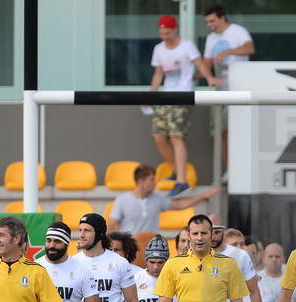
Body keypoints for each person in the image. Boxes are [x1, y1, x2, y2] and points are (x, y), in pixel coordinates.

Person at [149, 15, 220, 197]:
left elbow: (200, 64)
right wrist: (151, 94)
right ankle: (175, 170)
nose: (165, 36)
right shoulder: (159, 49)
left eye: (168, 33)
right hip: (165, 97)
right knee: (158, 136)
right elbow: (158, 73)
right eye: (162, 33)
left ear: (175, 30)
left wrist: (209, 77)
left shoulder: (186, 46)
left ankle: (181, 180)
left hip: (183, 95)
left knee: (176, 136)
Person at [203, 4, 254, 176]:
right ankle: (229, 170)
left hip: (239, 90)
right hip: (220, 90)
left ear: (222, 17)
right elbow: (207, 63)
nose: (210, 25)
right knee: (220, 131)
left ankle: (239, 169)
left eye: (212, 21)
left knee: (236, 131)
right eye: (207, 22)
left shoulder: (238, 31)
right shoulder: (210, 38)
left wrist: (228, 52)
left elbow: (250, 48)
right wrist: (195, 72)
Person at [109, 165, 220, 234]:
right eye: (151, 180)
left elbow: (179, 205)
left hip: (150, 247)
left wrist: (203, 196)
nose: (155, 183)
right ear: (140, 181)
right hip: (130, 247)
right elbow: (112, 223)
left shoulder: (157, 198)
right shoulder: (122, 200)